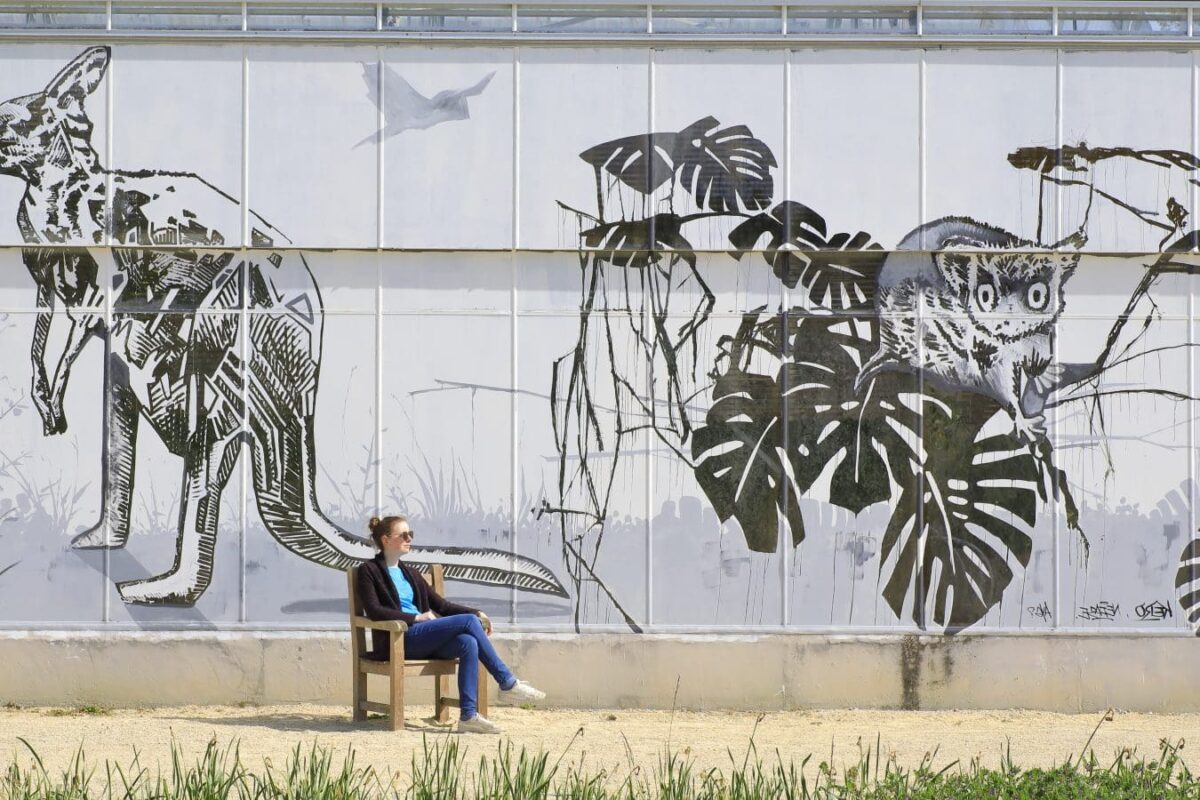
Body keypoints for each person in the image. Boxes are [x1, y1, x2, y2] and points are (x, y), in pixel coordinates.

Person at [356, 514, 545, 734]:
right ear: (386, 540)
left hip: (423, 638)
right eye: (404, 535)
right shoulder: (369, 571)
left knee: (468, 642)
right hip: (399, 638)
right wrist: (416, 618)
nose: (410, 539)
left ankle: (468, 716)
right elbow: (374, 611)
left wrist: (476, 612)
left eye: (411, 534)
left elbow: (442, 606)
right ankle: (507, 683)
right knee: (469, 623)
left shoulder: (411, 574)